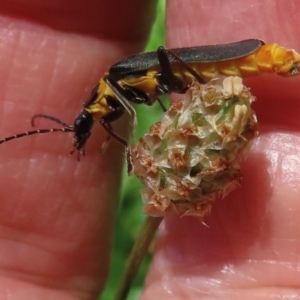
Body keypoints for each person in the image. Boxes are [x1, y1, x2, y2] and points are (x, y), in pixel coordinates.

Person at [1, 0, 300, 299]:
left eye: (84, 124)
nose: (88, 126)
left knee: (163, 55)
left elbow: (130, 109)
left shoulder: (116, 80)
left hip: (198, 66)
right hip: (189, 76)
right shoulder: (110, 100)